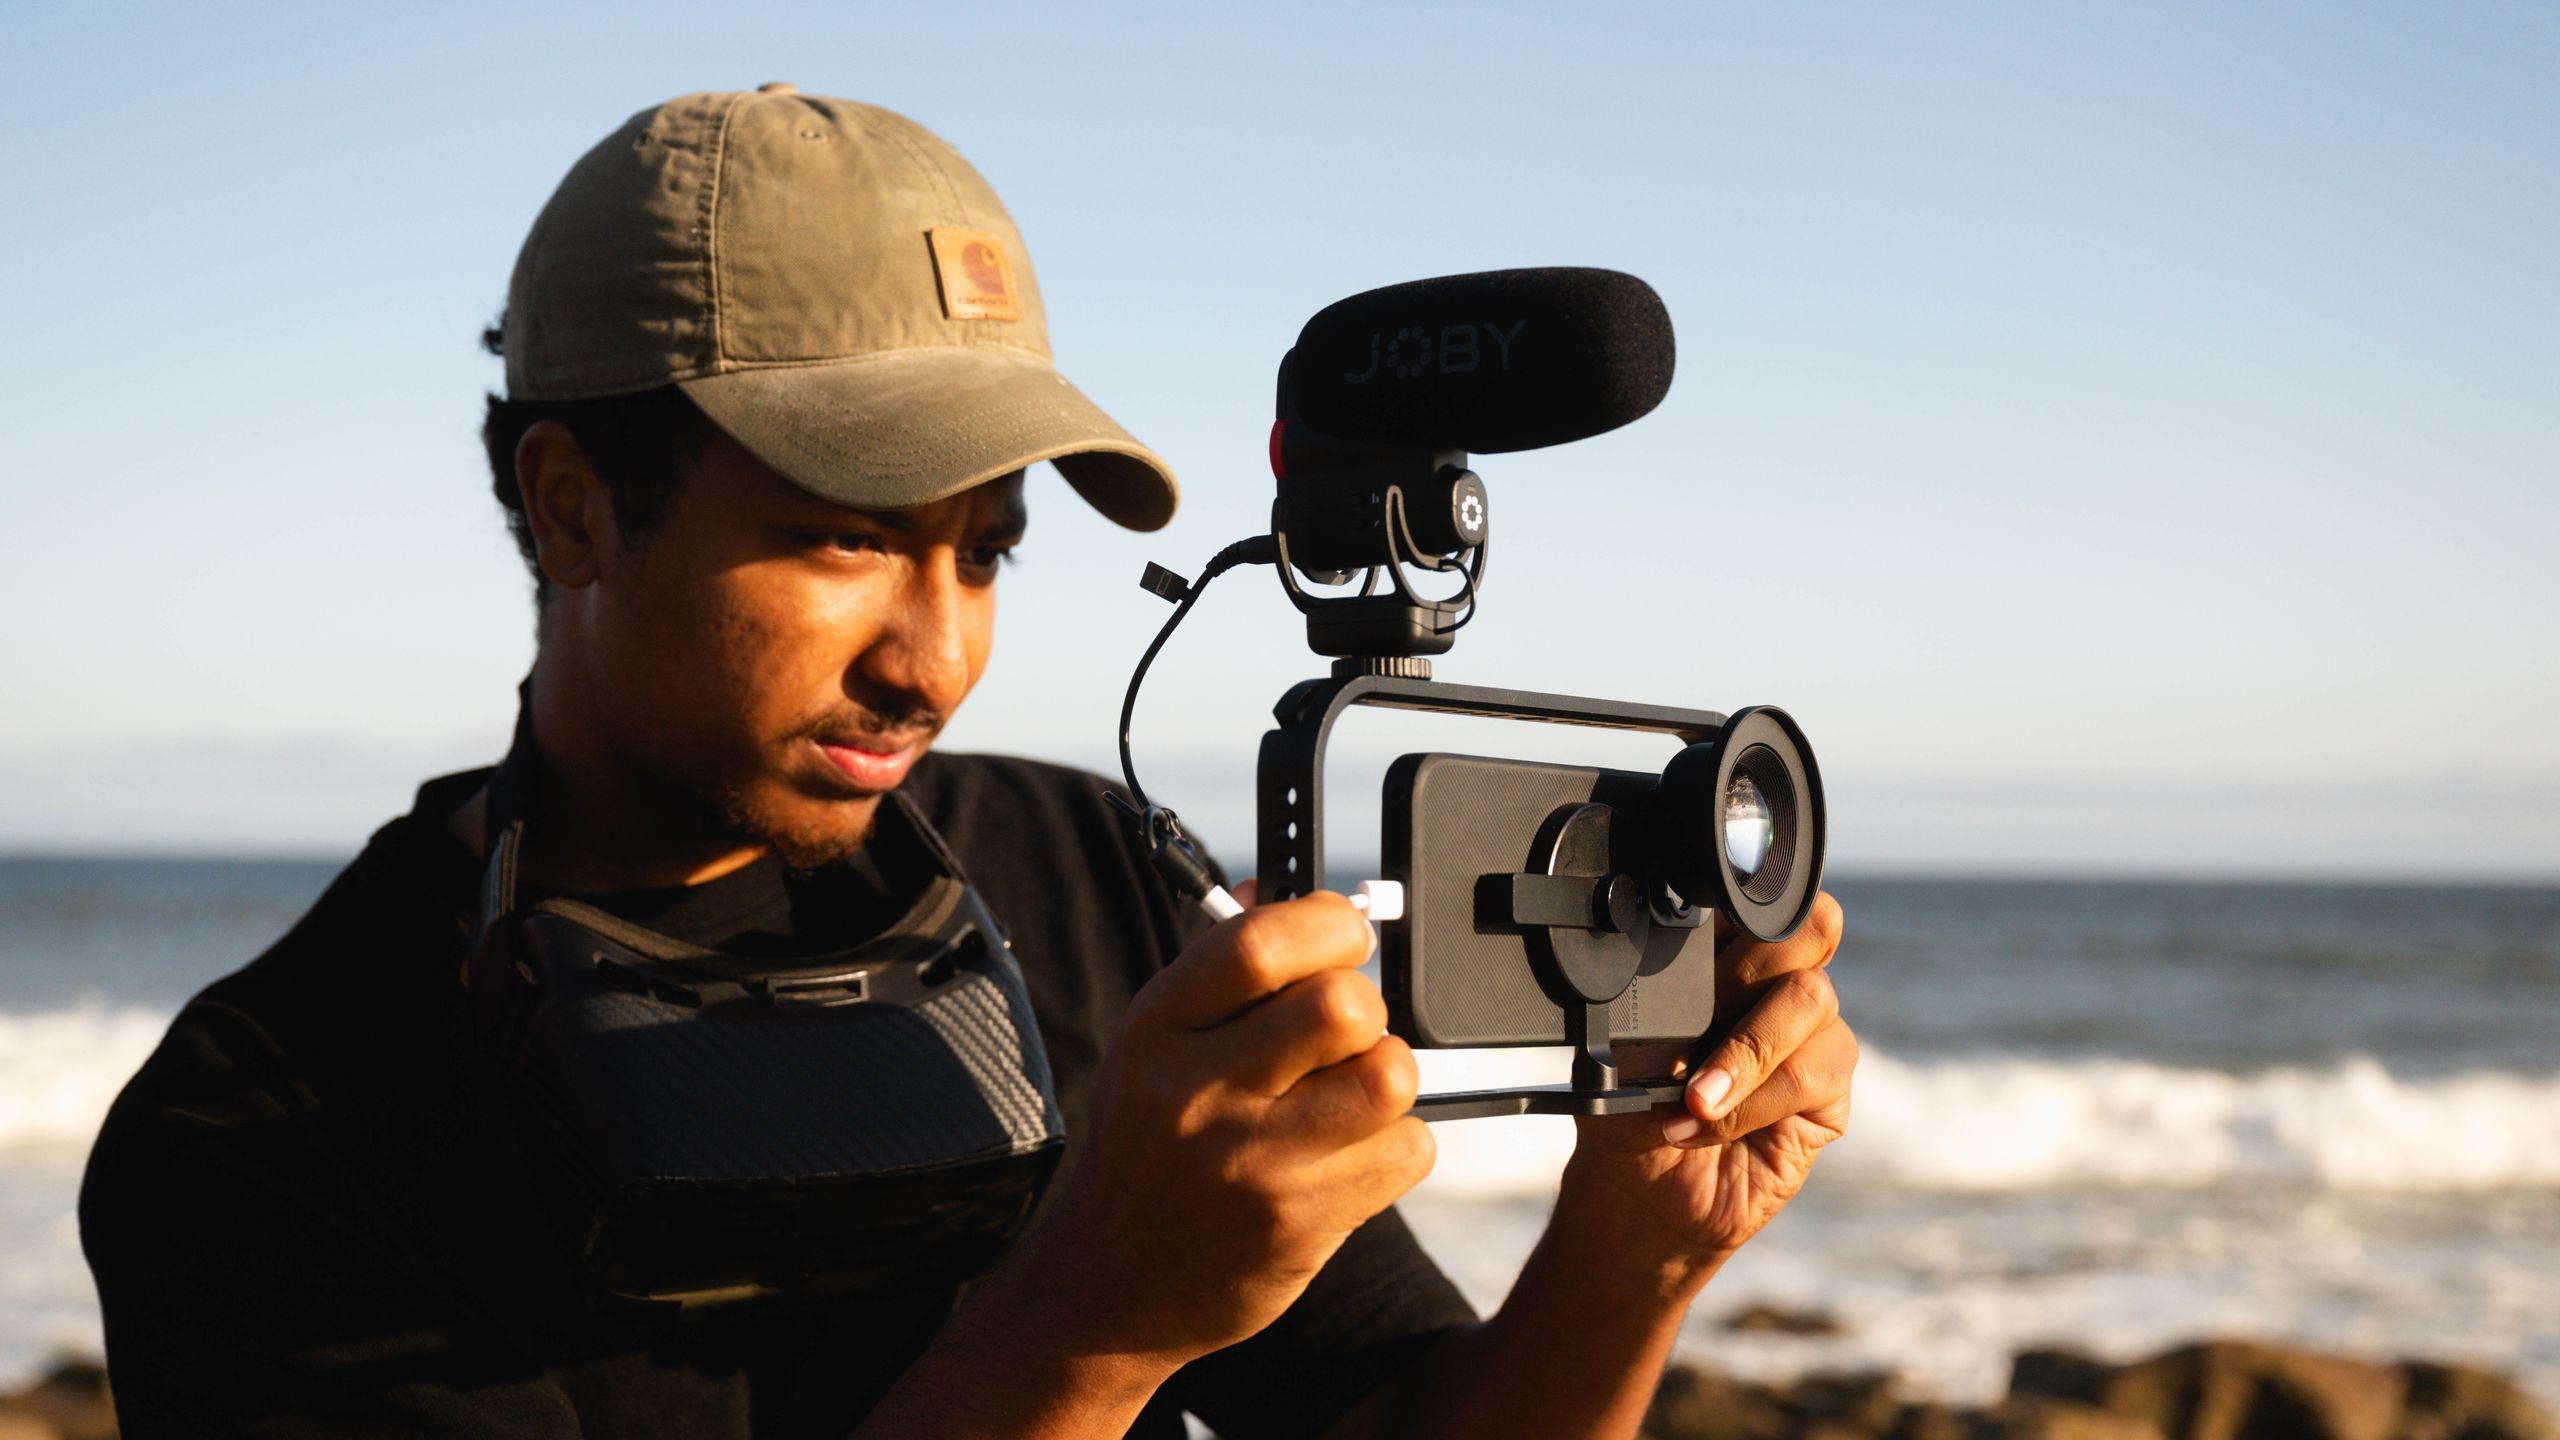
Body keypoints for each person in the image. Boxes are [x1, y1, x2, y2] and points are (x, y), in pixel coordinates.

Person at [79, 85, 1857, 1440]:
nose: (934, 652)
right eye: (843, 538)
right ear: (573, 508)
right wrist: (1090, 1327)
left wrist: (1640, 1243)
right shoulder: (266, 1127)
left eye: (983, 550)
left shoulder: (1083, 870)